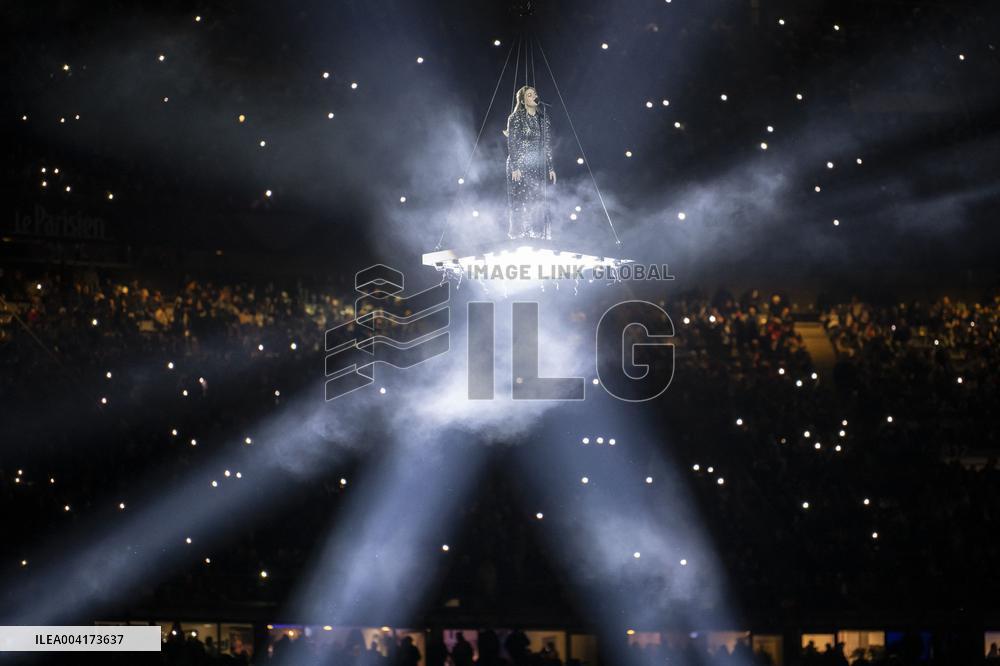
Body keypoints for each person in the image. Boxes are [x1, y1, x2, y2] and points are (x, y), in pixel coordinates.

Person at [505, 85, 556, 240]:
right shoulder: (515, 118)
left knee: (537, 197)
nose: (533, 96)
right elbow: (512, 143)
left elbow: (547, 144)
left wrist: (551, 167)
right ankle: (519, 233)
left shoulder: (543, 118)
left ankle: (537, 233)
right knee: (520, 199)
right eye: (529, 94)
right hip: (519, 164)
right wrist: (515, 166)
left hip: (537, 165)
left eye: (534, 94)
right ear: (522, 100)